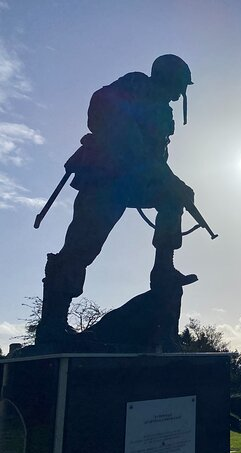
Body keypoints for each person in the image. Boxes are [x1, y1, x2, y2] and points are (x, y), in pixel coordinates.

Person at [36, 54, 197, 345]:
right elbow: (101, 108)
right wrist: (129, 139)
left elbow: (157, 160)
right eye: (180, 85)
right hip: (105, 176)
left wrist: (176, 184)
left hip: (133, 179)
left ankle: (164, 267)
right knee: (82, 247)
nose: (179, 93)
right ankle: (52, 324)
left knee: (174, 198)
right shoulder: (135, 84)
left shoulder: (163, 111)